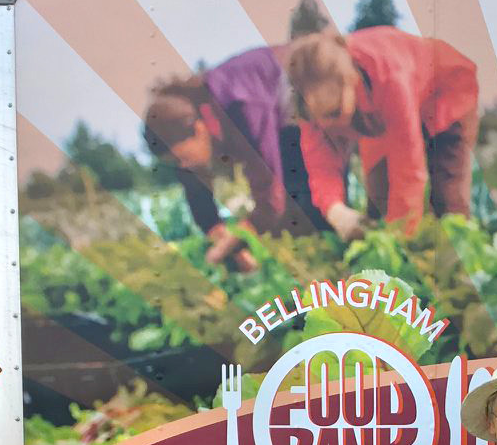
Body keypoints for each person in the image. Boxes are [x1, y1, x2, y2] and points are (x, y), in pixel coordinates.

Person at [142, 46, 326, 271]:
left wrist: (237, 239)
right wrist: (219, 234)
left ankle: (325, 267)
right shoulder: (187, 126)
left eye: (183, 158)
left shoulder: (243, 108)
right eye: (176, 162)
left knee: (305, 205)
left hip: (301, 102)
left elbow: (271, 194)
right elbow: (197, 195)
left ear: (200, 129)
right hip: (275, 118)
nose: (184, 166)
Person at [283, 28, 479, 237]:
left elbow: (408, 171)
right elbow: (321, 168)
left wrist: (400, 240)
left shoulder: (389, 75)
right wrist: (336, 211)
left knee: (448, 199)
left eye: (335, 112)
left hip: (446, 93)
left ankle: (457, 257)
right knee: (379, 204)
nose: (332, 126)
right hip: (384, 117)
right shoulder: (312, 103)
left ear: (351, 80)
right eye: (321, 118)